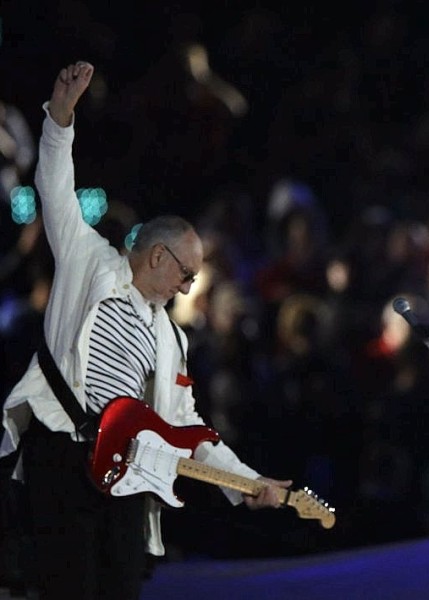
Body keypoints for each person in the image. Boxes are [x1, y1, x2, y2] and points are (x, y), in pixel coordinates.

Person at [0, 61, 292, 600]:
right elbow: (56, 189)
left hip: (125, 474)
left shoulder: (170, 339)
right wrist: (60, 118)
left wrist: (248, 482)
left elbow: (186, 425)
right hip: (62, 457)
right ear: (158, 256)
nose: (187, 288)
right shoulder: (88, 261)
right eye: (186, 274)